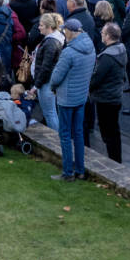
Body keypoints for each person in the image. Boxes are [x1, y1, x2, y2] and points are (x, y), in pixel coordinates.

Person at [47, 17, 96, 182]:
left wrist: (53, 87)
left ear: (70, 31)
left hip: (67, 98)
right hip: (81, 96)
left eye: (64, 30)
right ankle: (80, 170)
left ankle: (68, 172)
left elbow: (56, 77)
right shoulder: (90, 47)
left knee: (65, 135)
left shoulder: (69, 52)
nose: (63, 33)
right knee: (79, 133)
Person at [89, 22, 127, 163]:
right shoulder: (121, 50)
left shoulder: (107, 57)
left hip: (106, 98)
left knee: (108, 132)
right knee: (113, 131)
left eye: (103, 33)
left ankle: (114, 161)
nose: (101, 35)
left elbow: (97, 78)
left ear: (109, 36)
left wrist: (88, 87)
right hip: (115, 95)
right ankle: (116, 158)